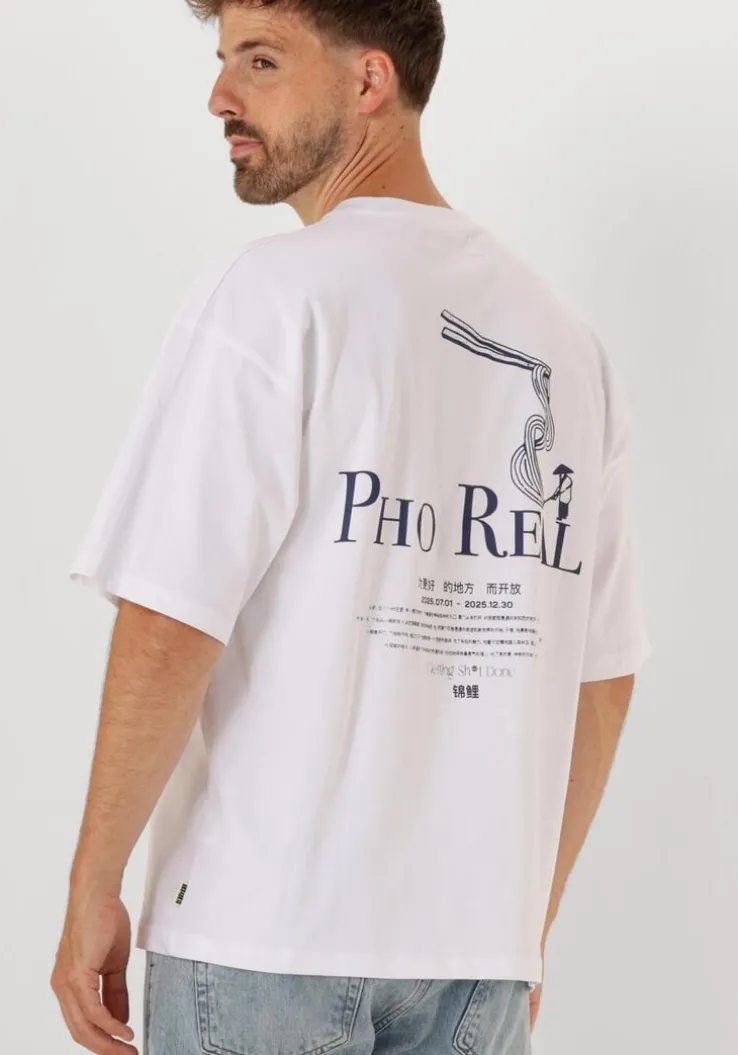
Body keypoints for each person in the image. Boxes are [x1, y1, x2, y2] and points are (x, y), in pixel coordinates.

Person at [50, 2, 652, 1053]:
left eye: (261, 62)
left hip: (264, 931)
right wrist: (525, 923)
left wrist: (93, 882)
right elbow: (603, 678)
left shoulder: (273, 298)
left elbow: (172, 619)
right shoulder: (564, 341)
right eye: (225, 60)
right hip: (476, 960)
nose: (220, 96)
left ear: (370, 82)